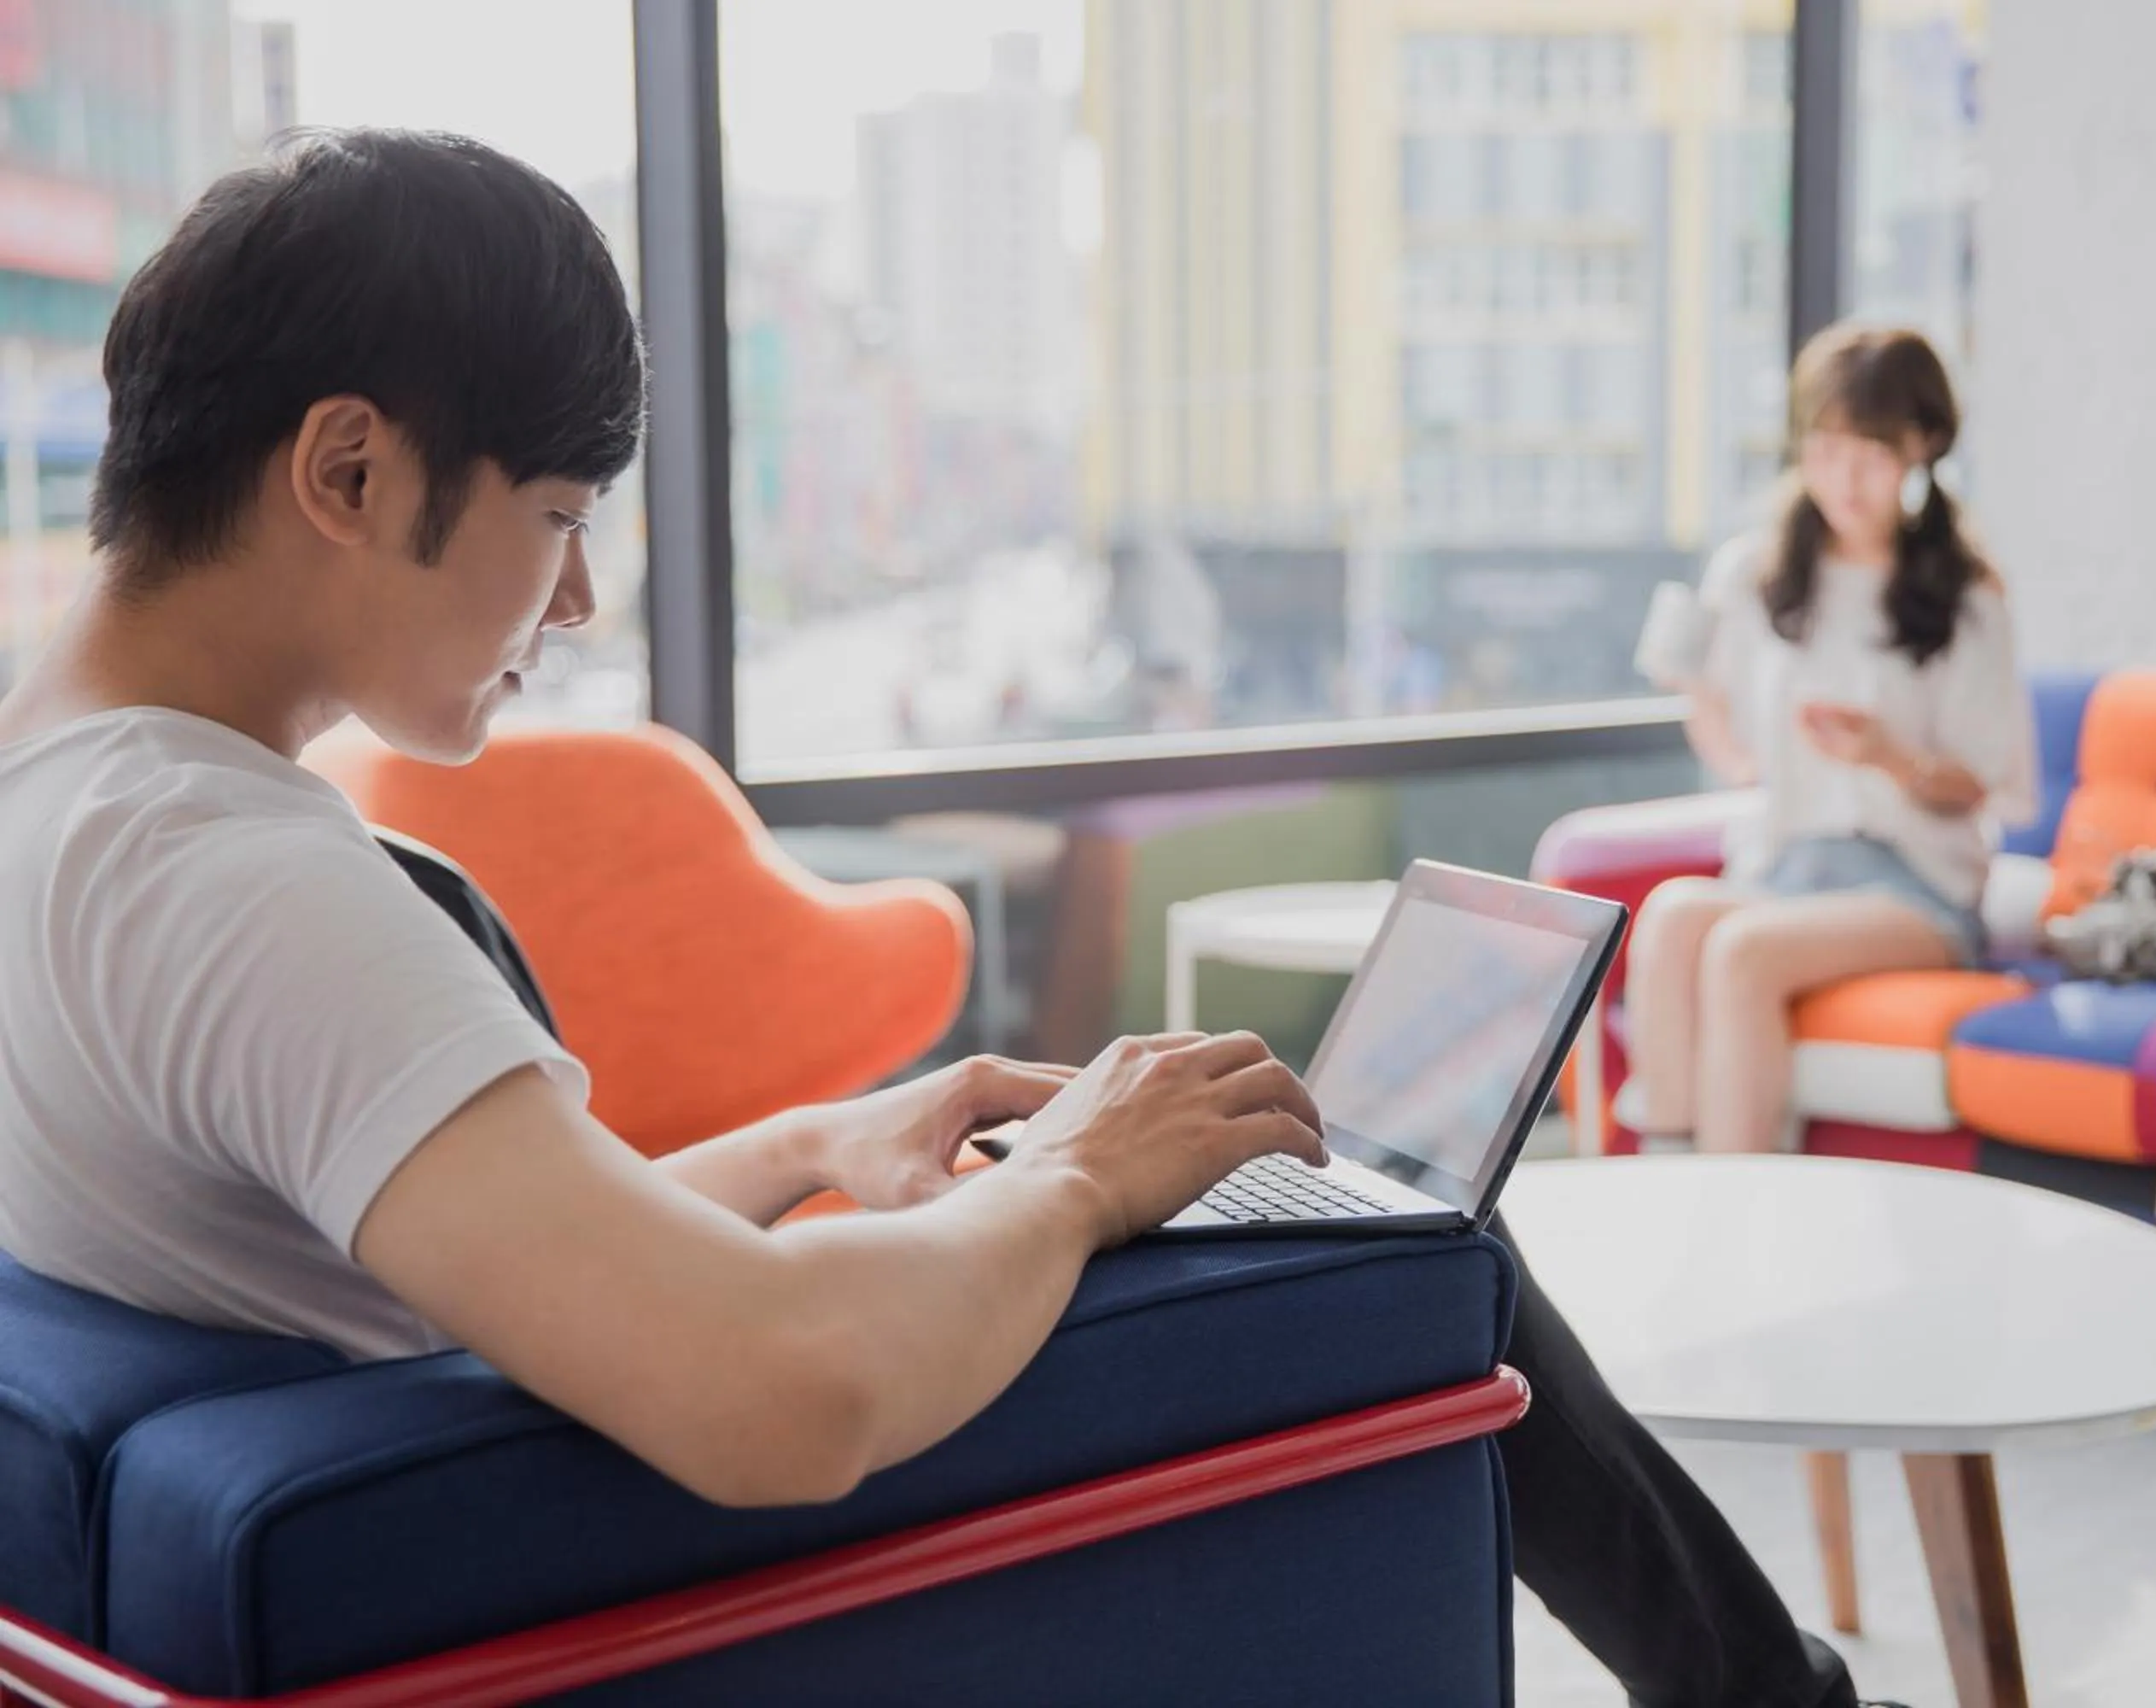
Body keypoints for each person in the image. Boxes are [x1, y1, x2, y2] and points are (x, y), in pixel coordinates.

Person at [0, 131, 1892, 1708]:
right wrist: (1067, 1184)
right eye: (562, 511)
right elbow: (782, 1393)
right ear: (348, 470)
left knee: (1253, 1174)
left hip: (448, 1472)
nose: (571, 598)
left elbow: (436, 1245)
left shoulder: (62, 792)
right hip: (623, 1553)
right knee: (1423, 1257)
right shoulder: (234, 879)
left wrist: (823, 1142)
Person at [1625, 326, 2035, 1153]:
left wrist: (1885, 755)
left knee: (1742, 950)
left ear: (1921, 446)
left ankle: (1735, 1206)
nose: (1844, 477)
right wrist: (1729, 740)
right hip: (1788, 864)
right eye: (1826, 447)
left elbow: (1990, 784)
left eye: (1872, 452)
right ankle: (1664, 1194)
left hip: (1917, 885)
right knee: (1670, 917)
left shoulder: (1965, 596)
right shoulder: (1754, 573)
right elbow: (1712, 707)